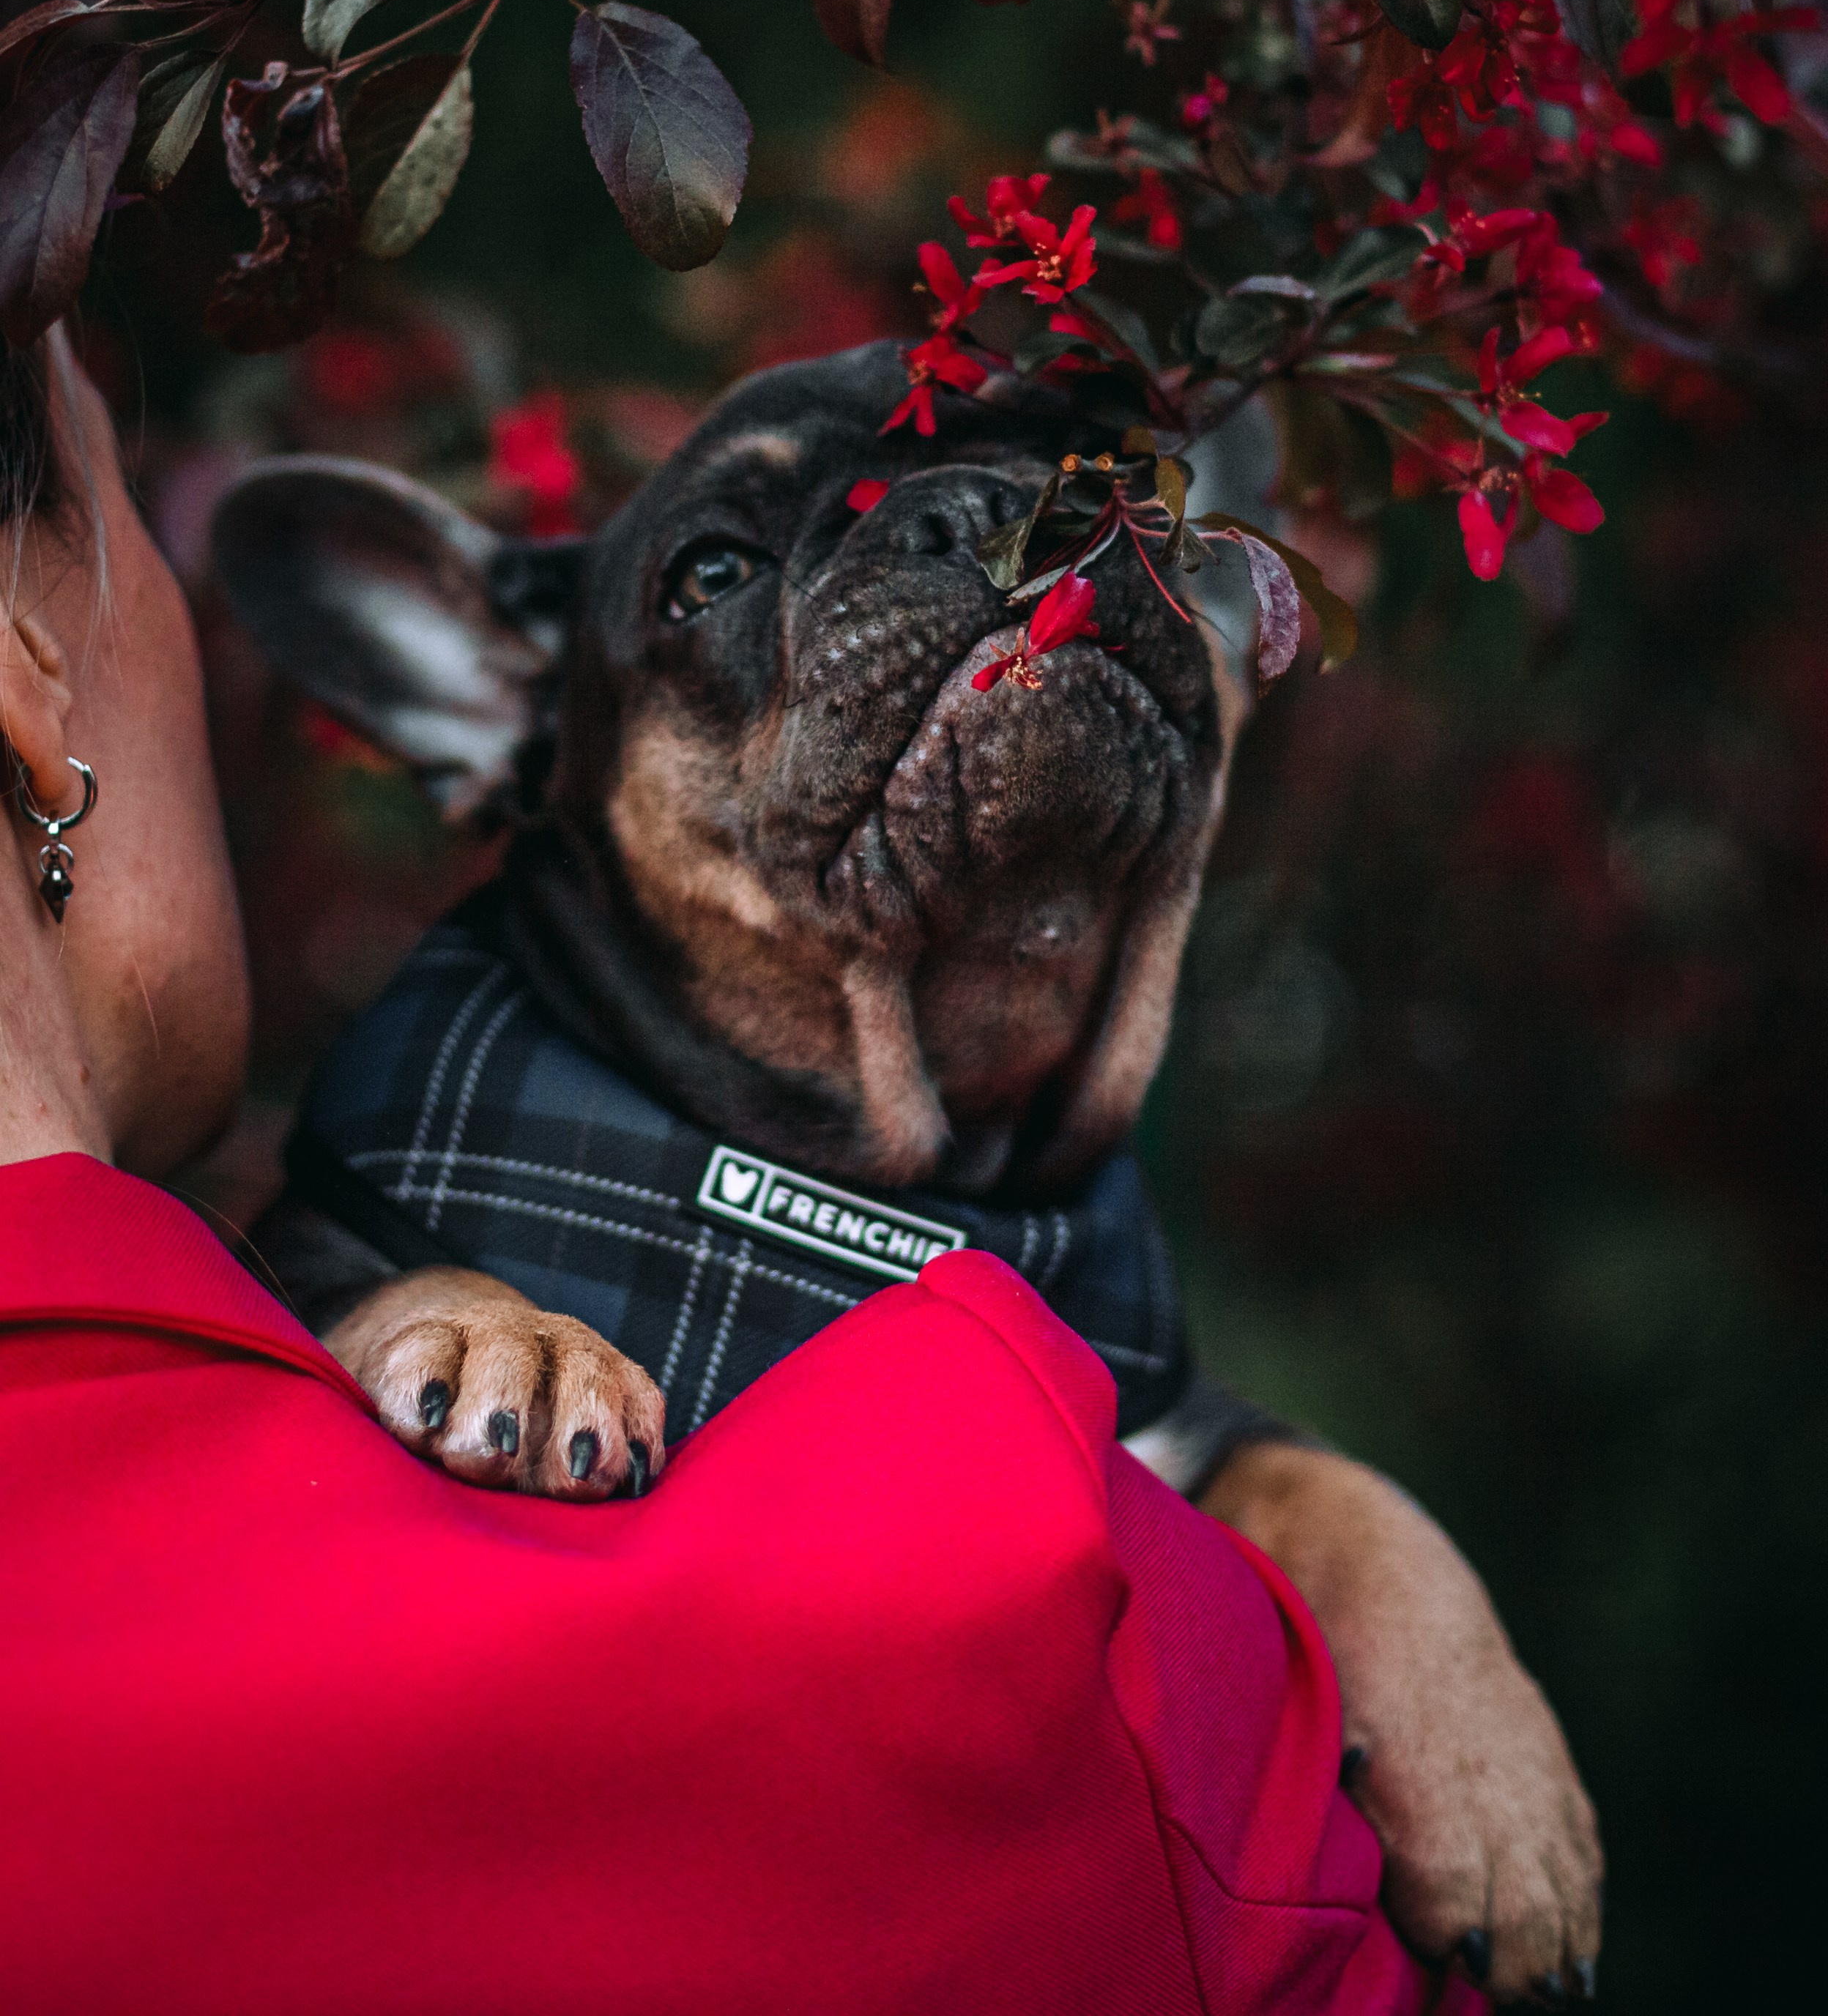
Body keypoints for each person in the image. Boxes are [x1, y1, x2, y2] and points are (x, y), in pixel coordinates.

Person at [0, 329, 1537, 2012]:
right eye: (721, 571)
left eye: (1094, 501)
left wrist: (1355, 1544)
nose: (987, 541)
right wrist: (426, 1310)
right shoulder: (1155, 1716)